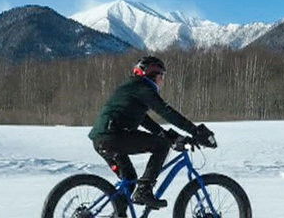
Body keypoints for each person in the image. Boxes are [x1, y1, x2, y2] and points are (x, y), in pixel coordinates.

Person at [88, 55, 215, 208]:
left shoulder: (133, 87)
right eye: (162, 75)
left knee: (129, 179)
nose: (163, 80)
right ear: (152, 75)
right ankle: (144, 190)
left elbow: (143, 120)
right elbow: (166, 111)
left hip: (103, 139)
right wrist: (195, 131)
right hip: (114, 136)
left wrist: (165, 134)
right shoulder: (143, 87)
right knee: (161, 146)